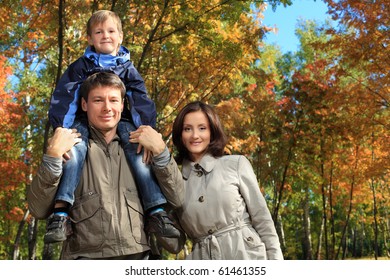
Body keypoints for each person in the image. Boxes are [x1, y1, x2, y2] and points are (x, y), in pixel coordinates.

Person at [45, 10, 179, 243]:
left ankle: (156, 210)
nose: (105, 36)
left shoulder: (127, 68)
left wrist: (146, 130)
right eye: (98, 32)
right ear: (89, 38)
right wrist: (62, 129)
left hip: (123, 121)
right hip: (81, 120)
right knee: (73, 153)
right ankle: (61, 212)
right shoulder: (81, 66)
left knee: (139, 153)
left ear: (120, 36)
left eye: (110, 31)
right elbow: (65, 95)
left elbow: (140, 99)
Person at [27, 72, 184, 260]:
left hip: (139, 259)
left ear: (122, 105)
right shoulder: (68, 148)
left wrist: (162, 152)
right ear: (84, 105)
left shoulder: (143, 148)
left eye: (113, 100)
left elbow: (179, 198)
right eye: (98, 100)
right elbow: (38, 209)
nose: (107, 108)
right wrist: (52, 158)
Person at [130, 101, 284, 260]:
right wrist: (152, 215)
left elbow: (263, 221)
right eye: (187, 129)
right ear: (180, 134)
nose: (195, 135)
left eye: (202, 128)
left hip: (248, 255)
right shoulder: (173, 182)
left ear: (212, 131)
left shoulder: (236, 164)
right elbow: (175, 245)